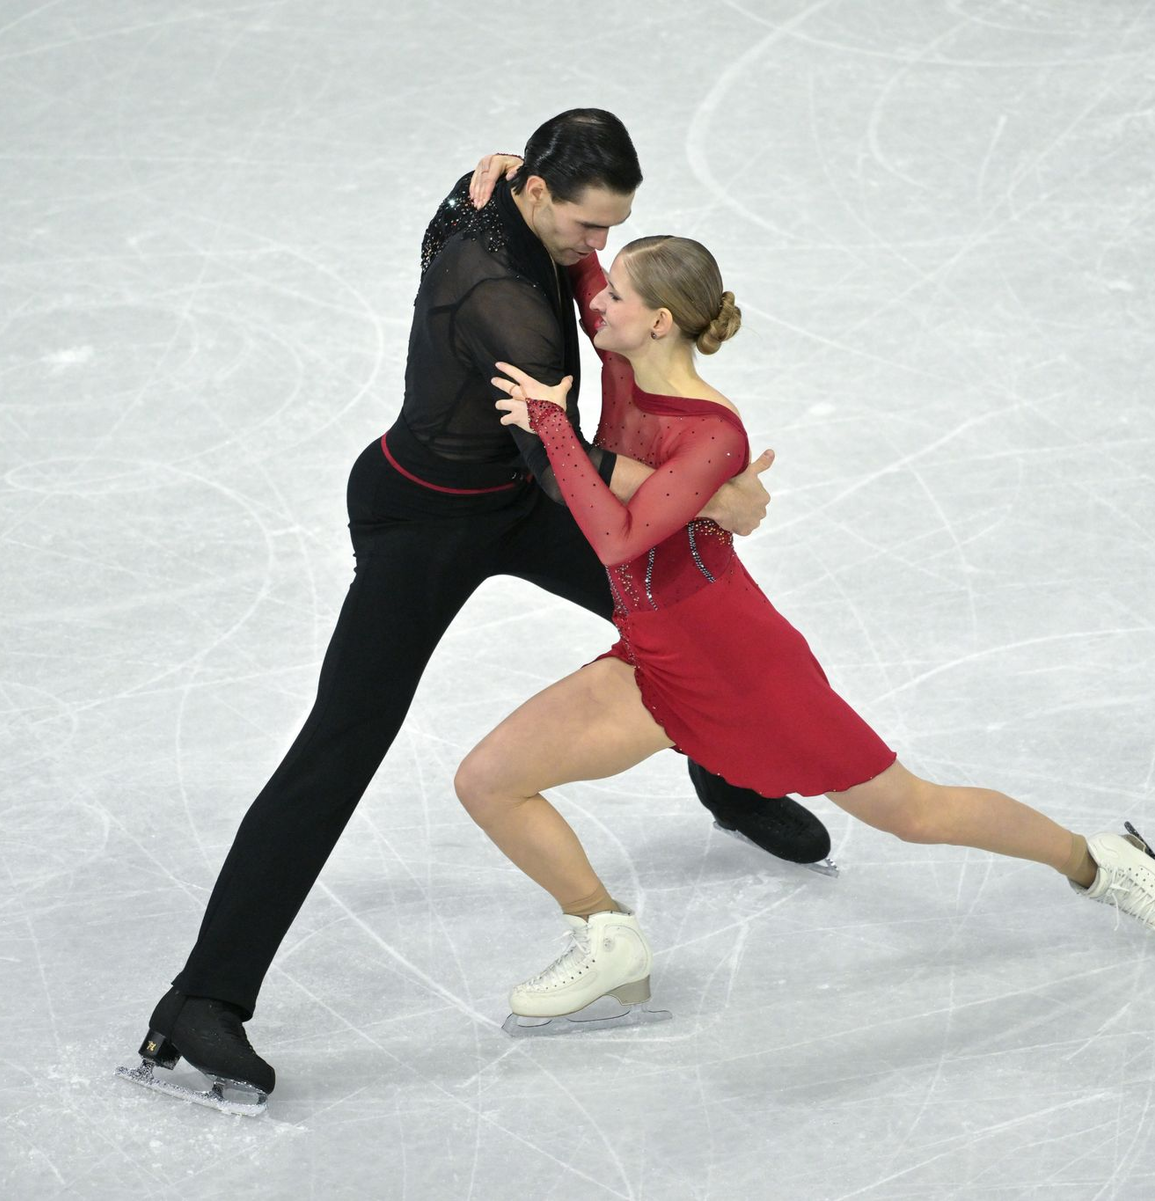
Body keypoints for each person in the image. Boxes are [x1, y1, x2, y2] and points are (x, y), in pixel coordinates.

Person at [116, 110, 834, 1114]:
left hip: (518, 498)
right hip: (426, 520)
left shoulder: (495, 198)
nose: (601, 251)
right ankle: (202, 1000)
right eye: (589, 227)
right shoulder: (507, 303)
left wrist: (478, 181)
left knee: (687, 618)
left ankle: (731, 780)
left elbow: (452, 241)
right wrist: (708, 492)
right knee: (344, 738)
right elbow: (561, 459)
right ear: (538, 194)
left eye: (615, 227)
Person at [453, 235, 1155, 1034]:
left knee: (912, 810)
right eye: (605, 290)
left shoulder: (714, 433)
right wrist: (521, 194)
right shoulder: (620, 360)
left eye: (617, 295)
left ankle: (1099, 861)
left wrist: (553, 427)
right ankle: (604, 933)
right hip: (653, 657)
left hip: (739, 664)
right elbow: (580, 262)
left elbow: (618, 540)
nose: (597, 306)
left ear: (659, 322)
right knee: (488, 779)